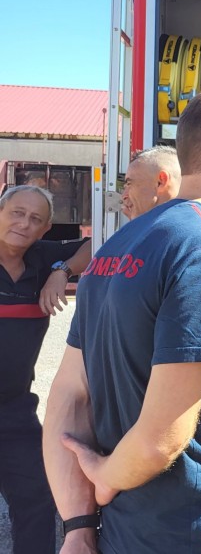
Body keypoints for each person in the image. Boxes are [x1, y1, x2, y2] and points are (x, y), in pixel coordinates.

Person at [43, 86, 201, 554]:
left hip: (124, 536)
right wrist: (103, 476)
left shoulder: (113, 250)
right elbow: (163, 439)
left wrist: (78, 527)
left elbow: (69, 398)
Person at [0, 185, 90, 553]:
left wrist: (62, 271)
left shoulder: (43, 259)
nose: (24, 223)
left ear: (45, 229)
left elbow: (101, 243)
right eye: (17, 212)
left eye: (35, 219)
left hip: (16, 411)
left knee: (37, 501)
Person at [121, 146, 181, 219]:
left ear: (161, 182)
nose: (124, 196)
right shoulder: (193, 217)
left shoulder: (171, 228)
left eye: (129, 184)